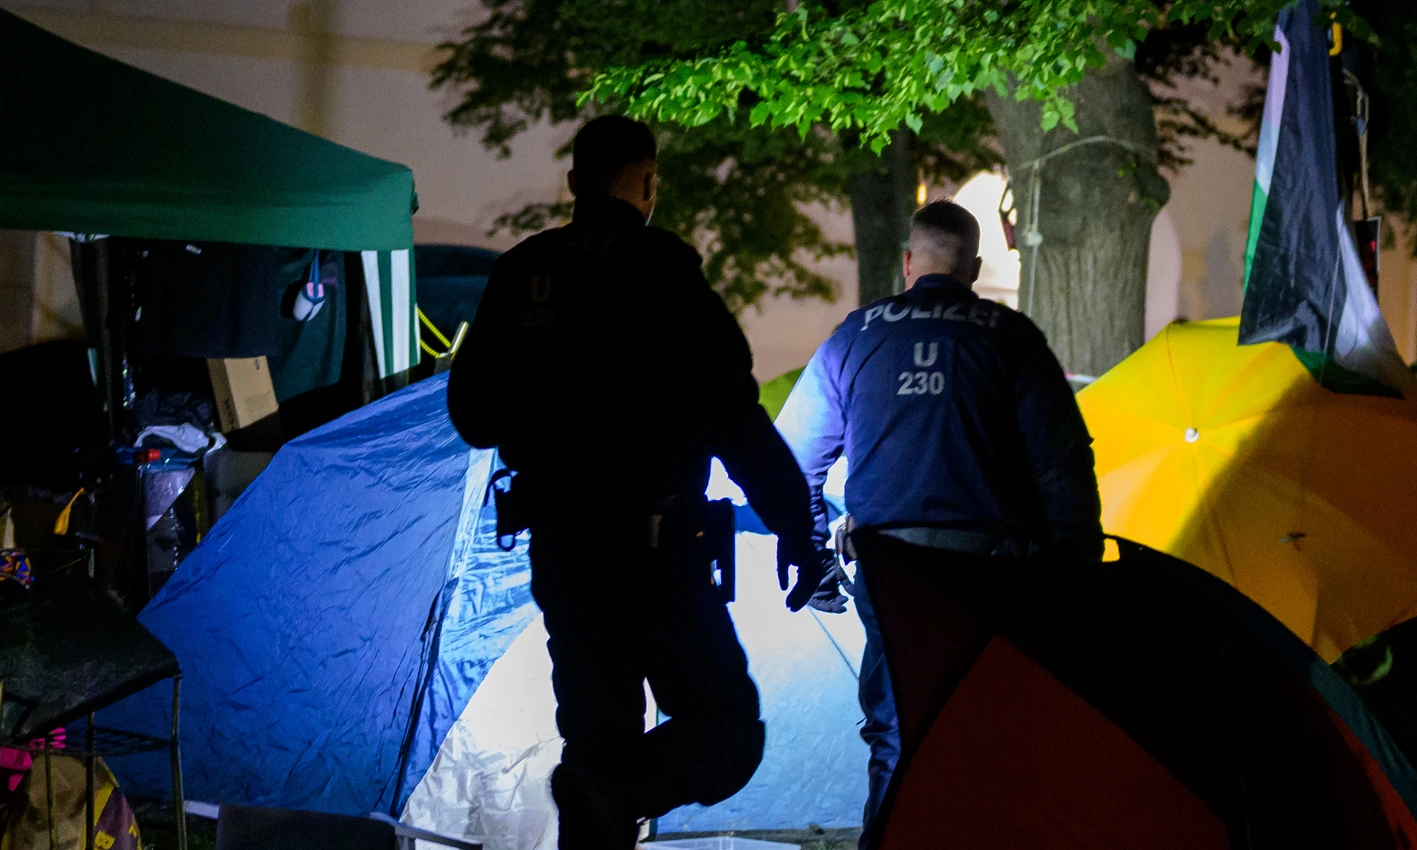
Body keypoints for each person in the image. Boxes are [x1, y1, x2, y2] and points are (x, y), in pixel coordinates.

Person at [446, 115, 830, 850]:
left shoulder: (525, 275)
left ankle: (600, 791)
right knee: (726, 734)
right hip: (659, 557)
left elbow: (473, 416)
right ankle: (610, 791)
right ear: (649, 183)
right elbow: (736, 422)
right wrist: (795, 527)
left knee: (596, 744)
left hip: (562, 554)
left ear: (573, 183)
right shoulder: (667, 276)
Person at [774, 200, 1102, 825]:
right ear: (974, 267)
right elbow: (1063, 467)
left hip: (888, 567)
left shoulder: (856, 337)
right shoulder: (1010, 337)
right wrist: (1071, 575)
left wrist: (813, 555)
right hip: (992, 569)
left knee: (895, 730)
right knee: (984, 725)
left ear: (907, 263)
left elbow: (795, 460)